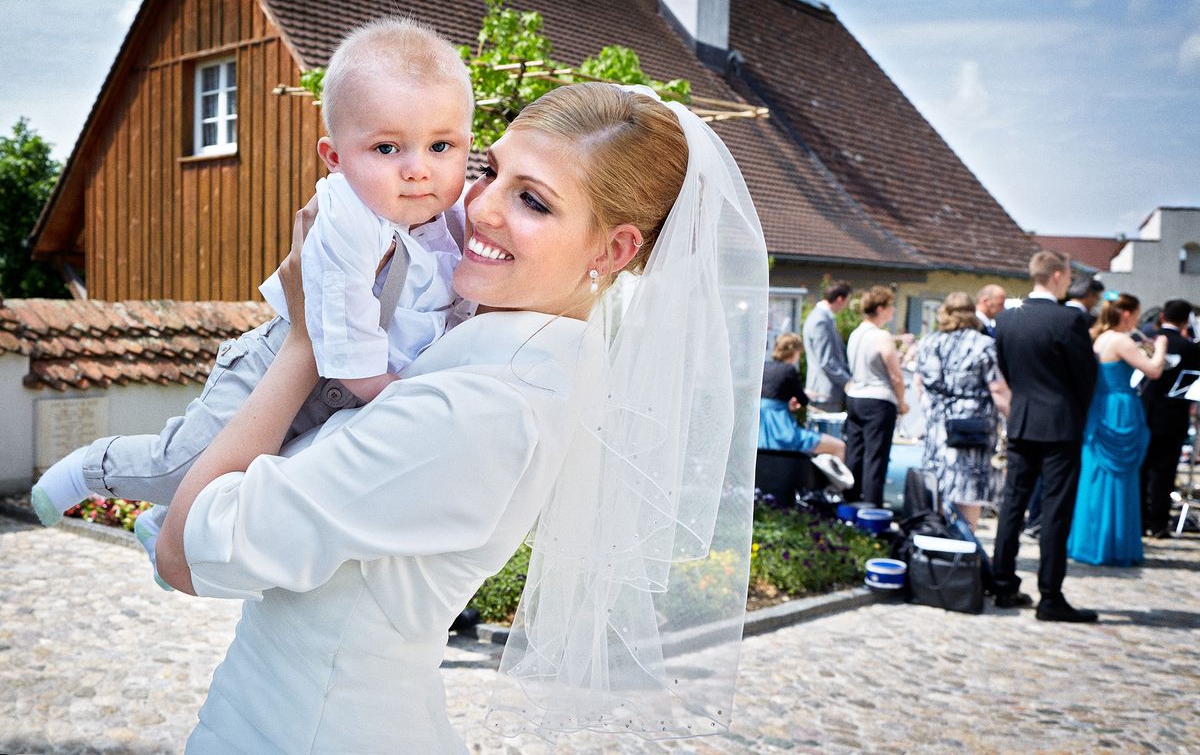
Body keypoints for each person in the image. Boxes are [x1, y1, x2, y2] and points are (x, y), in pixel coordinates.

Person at [152, 82, 768, 751]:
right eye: (490, 171)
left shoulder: (482, 408)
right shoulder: (507, 354)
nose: (481, 208)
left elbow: (184, 553)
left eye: (533, 200)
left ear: (613, 251)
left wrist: (308, 336)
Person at [29, 19, 473, 569]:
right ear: (334, 158)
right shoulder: (347, 215)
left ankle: (167, 525)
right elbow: (346, 341)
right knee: (182, 464)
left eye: (440, 145)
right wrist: (408, 404)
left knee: (262, 476)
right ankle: (88, 467)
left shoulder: (458, 219)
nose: (417, 169)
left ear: (467, 147)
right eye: (386, 147)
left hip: (355, 391)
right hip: (285, 365)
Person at [990, 250, 1099, 623]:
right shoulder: (1070, 320)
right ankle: (1050, 596)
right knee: (1054, 511)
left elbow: (1007, 370)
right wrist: (1075, 412)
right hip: (1060, 424)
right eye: (1068, 274)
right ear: (1056, 275)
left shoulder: (1006, 319)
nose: (1069, 280)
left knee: (1012, 506)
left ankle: (1002, 584)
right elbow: (1086, 378)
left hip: (1022, 420)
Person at [1067, 292, 1166, 566]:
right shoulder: (1121, 340)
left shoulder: (1101, 338)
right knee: (1119, 477)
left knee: (1097, 474)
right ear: (1126, 315)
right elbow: (1154, 370)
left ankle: (1091, 540)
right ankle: (1115, 544)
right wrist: (1161, 346)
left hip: (1102, 406)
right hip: (1118, 406)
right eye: (1136, 314)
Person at [915, 292, 1011, 531]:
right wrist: (1014, 420)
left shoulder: (928, 342)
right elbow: (998, 389)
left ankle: (939, 544)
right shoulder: (983, 345)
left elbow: (918, 384)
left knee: (938, 487)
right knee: (968, 491)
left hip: (939, 426)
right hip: (972, 427)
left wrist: (932, 410)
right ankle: (964, 550)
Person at [1140, 299, 1200, 538]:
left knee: (1142, 469)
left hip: (1146, 411)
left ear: (1162, 315)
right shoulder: (1191, 348)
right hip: (1174, 415)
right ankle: (1159, 523)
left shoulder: (1149, 341)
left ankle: (1139, 519)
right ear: (1186, 321)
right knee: (1165, 472)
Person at [844, 286, 908, 506]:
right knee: (875, 459)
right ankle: (872, 508)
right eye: (890, 306)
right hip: (878, 398)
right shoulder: (881, 336)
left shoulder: (856, 333)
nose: (892, 310)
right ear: (880, 309)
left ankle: (849, 501)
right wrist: (902, 402)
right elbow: (895, 376)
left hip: (855, 396)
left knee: (855, 453)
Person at [760, 333, 845, 458]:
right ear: (794, 352)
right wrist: (807, 395)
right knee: (839, 447)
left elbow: (772, 396)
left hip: (760, 433)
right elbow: (803, 401)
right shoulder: (788, 370)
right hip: (782, 431)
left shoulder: (765, 367)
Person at [802, 280, 853, 411]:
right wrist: (848, 382)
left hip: (824, 391)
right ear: (840, 299)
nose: (846, 306)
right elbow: (826, 360)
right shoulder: (821, 320)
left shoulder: (821, 317)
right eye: (847, 301)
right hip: (824, 391)